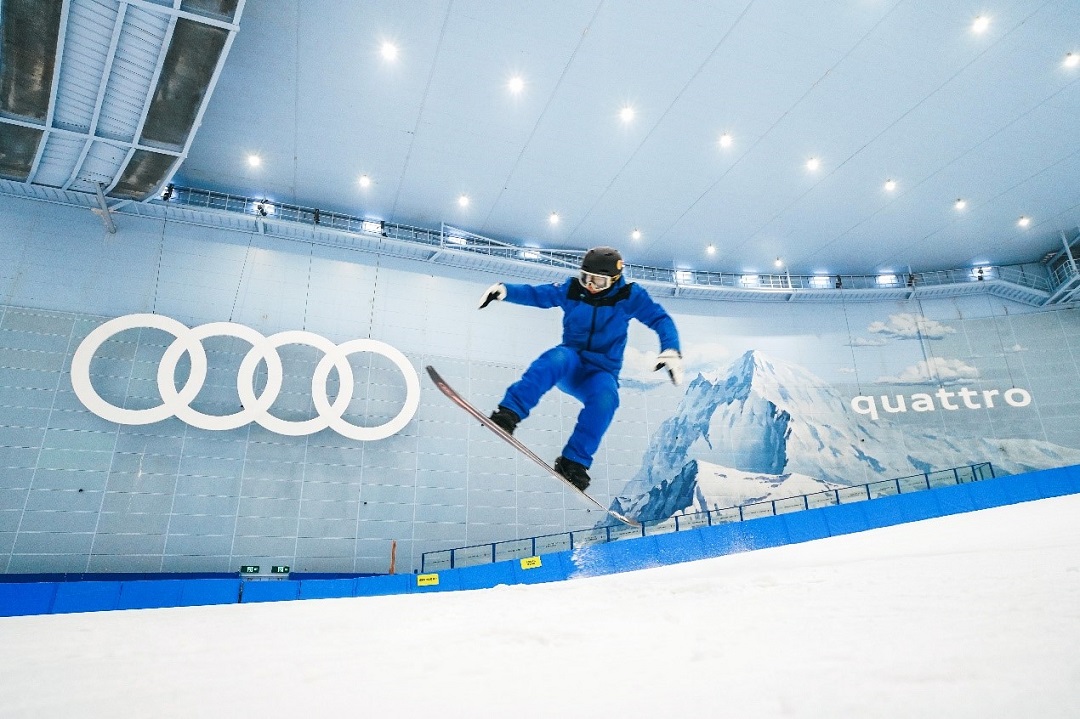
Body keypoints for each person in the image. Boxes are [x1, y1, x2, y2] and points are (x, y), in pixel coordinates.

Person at [476, 246, 682, 491]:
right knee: (556, 357)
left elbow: (660, 319)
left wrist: (671, 348)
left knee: (607, 397)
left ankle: (574, 462)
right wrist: (506, 291)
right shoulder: (573, 290)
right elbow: (538, 295)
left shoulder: (629, 296)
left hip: (600, 374)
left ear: (614, 279)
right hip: (571, 364)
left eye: (599, 281)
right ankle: (509, 413)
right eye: (586, 278)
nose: (591, 286)